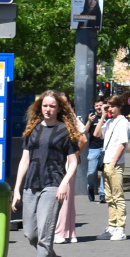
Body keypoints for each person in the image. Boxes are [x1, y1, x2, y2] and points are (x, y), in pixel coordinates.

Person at [11, 91, 82, 257]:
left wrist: (64, 184)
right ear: (39, 107)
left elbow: (73, 161)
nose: (48, 109)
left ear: (59, 109)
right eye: (44, 106)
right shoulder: (32, 130)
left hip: (53, 184)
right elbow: (24, 160)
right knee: (30, 234)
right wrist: (16, 189)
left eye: (52, 106)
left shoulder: (64, 131)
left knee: (45, 235)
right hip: (31, 185)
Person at [96, 95, 130, 239]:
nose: (110, 109)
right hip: (107, 162)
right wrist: (103, 116)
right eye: (108, 106)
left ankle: (120, 228)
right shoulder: (109, 122)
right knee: (109, 197)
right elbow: (96, 134)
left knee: (117, 196)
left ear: (119, 107)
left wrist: (115, 161)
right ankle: (112, 225)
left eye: (112, 106)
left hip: (113, 163)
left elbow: (123, 143)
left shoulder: (123, 122)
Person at [54, 96, 82, 245]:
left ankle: (60, 232)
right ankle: (70, 233)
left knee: (63, 199)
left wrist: (75, 154)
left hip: (65, 163)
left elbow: (83, 139)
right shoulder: (71, 120)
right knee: (69, 200)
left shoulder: (68, 121)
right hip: (70, 162)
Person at [83, 100, 106, 202]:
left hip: (106, 148)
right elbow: (85, 132)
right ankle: (91, 188)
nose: (98, 107)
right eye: (96, 106)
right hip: (94, 148)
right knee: (91, 172)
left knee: (105, 172)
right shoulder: (91, 117)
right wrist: (89, 121)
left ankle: (102, 193)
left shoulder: (108, 117)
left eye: (100, 105)